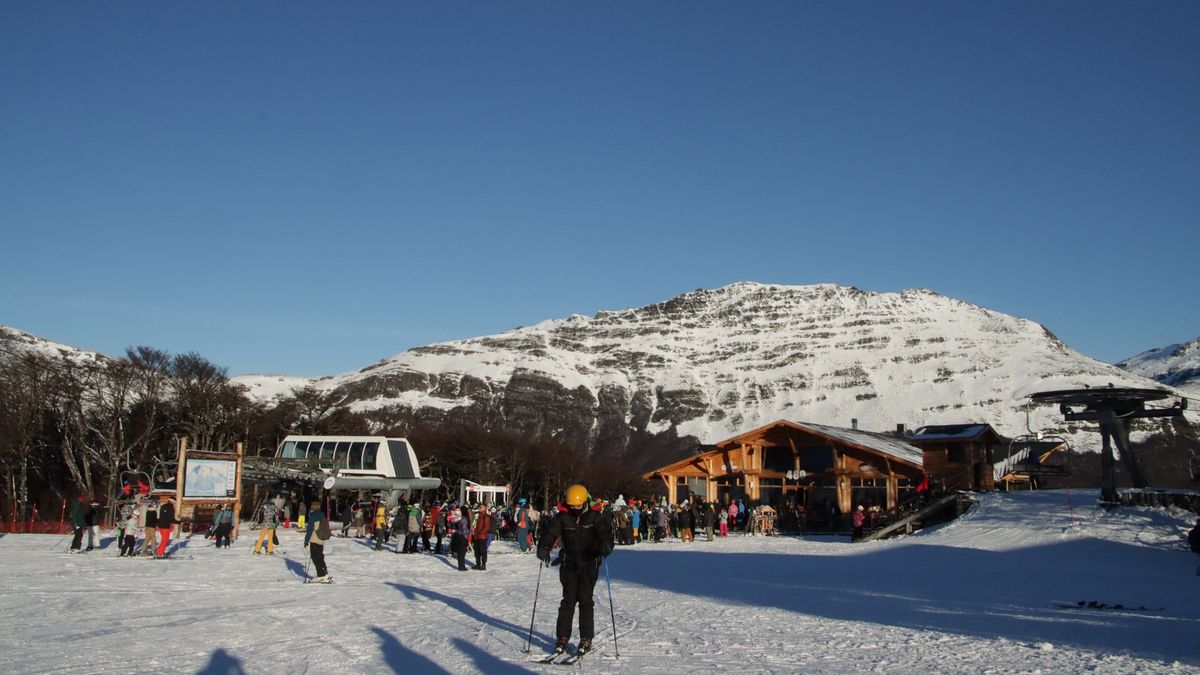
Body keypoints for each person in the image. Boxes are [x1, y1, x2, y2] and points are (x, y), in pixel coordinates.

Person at [537, 484, 614, 658]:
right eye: (572, 505)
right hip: (569, 564)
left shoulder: (595, 516)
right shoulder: (563, 517)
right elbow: (550, 533)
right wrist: (544, 546)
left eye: (578, 505)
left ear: (585, 501)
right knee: (568, 602)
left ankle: (586, 638)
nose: (575, 509)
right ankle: (562, 638)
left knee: (586, 601)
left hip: (589, 563)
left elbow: (605, 534)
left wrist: (605, 545)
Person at [304, 500, 332, 583]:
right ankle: (324, 574)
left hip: (315, 539)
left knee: (315, 558)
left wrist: (306, 540)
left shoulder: (313, 516)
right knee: (320, 557)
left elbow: (310, 529)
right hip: (321, 539)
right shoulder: (322, 514)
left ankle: (321, 575)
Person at [447, 502, 471, 571]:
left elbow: (452, 524)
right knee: (462, 553)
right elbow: (464, 530)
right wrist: (467, 536)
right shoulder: (464, 519)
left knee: (460, 552)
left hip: (458, 536)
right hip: (463, 537)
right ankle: (461, 567)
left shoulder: (458, 518)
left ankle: (461, 566)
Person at [472, 504, 492, 570]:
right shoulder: (479, 515)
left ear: (484, 508)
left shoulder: (486, 516)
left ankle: (483, 565)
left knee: (482, 551)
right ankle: (477, 564)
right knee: (476, 551)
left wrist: (480, 532)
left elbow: (486, 527)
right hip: (477, 536)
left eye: (481, 507)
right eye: (479, 507)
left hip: (482, 536)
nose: (479, 508)